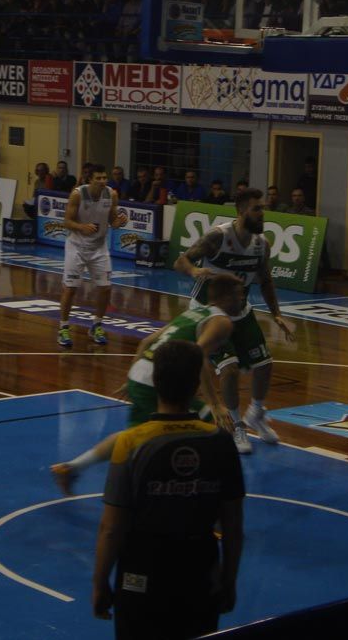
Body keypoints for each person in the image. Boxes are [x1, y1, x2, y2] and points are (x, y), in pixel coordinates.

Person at [92, 340, 244, 640]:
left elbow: (111, 527)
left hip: (142, 569)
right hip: (199, 568)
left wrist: (99, 583)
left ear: (155, 381)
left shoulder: (131, 443)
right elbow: (233, 524)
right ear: (196, 386)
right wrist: (229, 580)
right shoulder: (221, 442)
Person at [51, 275, 243, 494]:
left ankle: (72, 468)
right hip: (159, 379)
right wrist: (215, 404)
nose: (243, 300)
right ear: (227, 297)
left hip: (142, 374)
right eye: (240, 295)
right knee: (216, 427)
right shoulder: (222, 322)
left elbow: (146, 341)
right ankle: (209, 494)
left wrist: (131, 378)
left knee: (135, 436)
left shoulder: (194, 313)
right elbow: (198, 354)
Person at [174, 188, 295, 454]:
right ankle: (236, 424)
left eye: (263, 208)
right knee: (229, 369)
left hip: (240, 311)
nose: (262, 213)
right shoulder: (218, 237)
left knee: (264, 365)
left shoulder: (261, 244)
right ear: (241, 211)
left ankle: (256, 413)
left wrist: (276, 314)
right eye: (256, 209)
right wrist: (193, 270)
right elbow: (180, 261)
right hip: (210, 313)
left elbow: (266, 280)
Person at [58, 165, 128, 347]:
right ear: (90, 180)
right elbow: (67, 221)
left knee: (105, 288)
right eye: (98, 178)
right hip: (76, 246)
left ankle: (96, 325)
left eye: (104, 177)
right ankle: (63, 327)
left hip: (99, 247)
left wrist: (119, 222)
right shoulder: (77, 194)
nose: (103, 181)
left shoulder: (111, 194)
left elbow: (112, 221)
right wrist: (81, 227)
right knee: (70, 289)